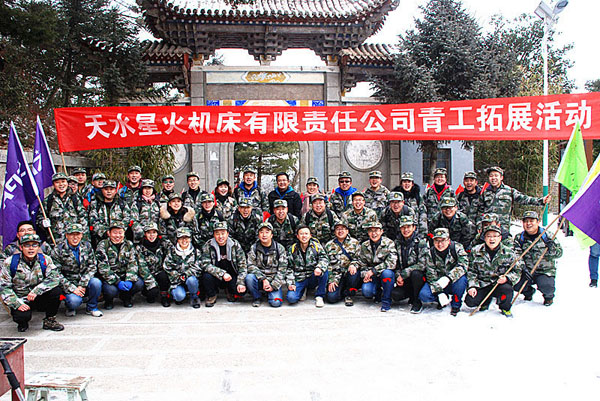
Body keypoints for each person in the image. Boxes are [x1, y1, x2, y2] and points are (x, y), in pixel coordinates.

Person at [0, 234, 64, 332]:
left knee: (57, 292)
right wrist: (17, 303)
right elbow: (4, 287)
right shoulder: (10, 262)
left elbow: (54, 278)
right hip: (20, 298)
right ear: (21, 247)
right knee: (22, 316)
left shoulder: (45, 260)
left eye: (34, 245)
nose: (31, 248)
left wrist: (37, 290)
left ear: (38, 247)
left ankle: (50, 320)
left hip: (38, 296)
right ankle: (22, 323)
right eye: (27, 245)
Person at [466, 225, 522, 318]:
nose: (492, 239)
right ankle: (485, 301)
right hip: (483, 284)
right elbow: (471, 271)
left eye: (495, 236)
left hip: (499, 284)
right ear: (484, 238)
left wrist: (507, 278)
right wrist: (472, 286)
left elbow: (517, 271)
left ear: (500, 238)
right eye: (489, 236)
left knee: (507, 290)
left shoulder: (509, 252)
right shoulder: (476, 251)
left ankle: (505, 307)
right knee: (470, 301)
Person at [51, 223, 103, 317]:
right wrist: (73, 288)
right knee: (74, 301)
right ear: (66, 235)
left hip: (84, 281)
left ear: (82, 235)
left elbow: (92, 266)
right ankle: (70, 307)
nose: (75, 237)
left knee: (96, 283)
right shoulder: (58, 250)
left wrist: (82, 284)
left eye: (77, 234)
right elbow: (56, 273)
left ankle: (92, 307)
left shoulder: (87, 246)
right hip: (68, 284)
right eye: (72, 234)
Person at [513, 211, 563, 306]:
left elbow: (559, 254)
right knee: (515, 282)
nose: (528, 224)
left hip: (544, 271)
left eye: (532, 221)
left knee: (546, 286)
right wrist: (523, 268)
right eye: (526, 221)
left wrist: (552, 248)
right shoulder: (519, 238)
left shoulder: (547, 236)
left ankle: (548, 297)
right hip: (527, 271)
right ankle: (528, 292)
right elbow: (516, 256)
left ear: (538, 222)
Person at [478, 166, 550, 232]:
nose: (493, 178)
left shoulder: (509, 191)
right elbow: (479, 211)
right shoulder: (485, 193)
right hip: (488, 230)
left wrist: (540, 201)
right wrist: (479, 225)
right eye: (491, 176)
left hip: (503, 229)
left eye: (496, 175)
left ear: (501, 177)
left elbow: (524, 199)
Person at [418, 228, 468, 316]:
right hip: (439, 282)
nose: (440, 244)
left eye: (443, 240)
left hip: (453, 280)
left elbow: (464, 265)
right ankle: (441, 299)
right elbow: (431, 274)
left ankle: (456, 304)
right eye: (437, 241)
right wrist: (439, 292)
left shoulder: (457, 248)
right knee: (424, 295)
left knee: (461, 280)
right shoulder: (430, 252)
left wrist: (449, 277)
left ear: (448, 240)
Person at [96, 222, 146, 309]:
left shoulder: (129, 244)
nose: (117, 235)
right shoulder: (103, 245)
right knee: (110, 290)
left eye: (120, 232)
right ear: (109, 233)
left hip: (125, 276)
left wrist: (129, 279)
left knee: (139, 283)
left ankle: (126, 297)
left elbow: (133, 263)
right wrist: (117, 282)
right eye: (115, 233)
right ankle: (109, 300)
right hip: (111, 278)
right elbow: (103, 267)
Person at [350, 221, 397, 312]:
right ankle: (378, 293)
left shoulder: (389, 243)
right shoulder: (365, 245)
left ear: (381, 231)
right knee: (367, 291)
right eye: (371, 231)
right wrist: (365, 274)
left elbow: (392, 262)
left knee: (387, 274)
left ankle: (386, 301)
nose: (373, 233)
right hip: (372, 276)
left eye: (376, 230)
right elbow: (361, 262)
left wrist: (374, 271)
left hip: (384, 274)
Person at [201, 222, 248, 307]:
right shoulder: (208, 245)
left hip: (231, 274)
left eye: (223, 233)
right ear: (214, 235)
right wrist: (222, 274)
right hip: (216, 275)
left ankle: (229, 290)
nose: (220, 236)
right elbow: (205, 264)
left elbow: (242, 265)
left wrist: (241, 282)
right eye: (217, 234)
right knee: (206, 277)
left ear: (227, 234)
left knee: (241, 292)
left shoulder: (235, 245)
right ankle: (212, 295)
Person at [245, 222, 289, 307]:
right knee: (249, 278)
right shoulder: (254, 247)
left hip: (274, 279)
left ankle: (269, 292)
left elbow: (283, 269)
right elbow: (250, 265)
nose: (264, 235)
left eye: (267, 232)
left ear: (271, 235)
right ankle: (257, 297)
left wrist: (273, 285)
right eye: (261, 232)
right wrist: (263, 279)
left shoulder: (279, 248)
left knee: (276, 303)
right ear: (258, 235)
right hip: (260, 279)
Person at [36, 172, 88, 242]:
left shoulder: (75, 199)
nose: (61, 184)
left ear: (67, 183)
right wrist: (43, 223)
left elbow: (83, 219)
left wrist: (84, 240)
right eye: (57, 182)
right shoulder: (48, 201)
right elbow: (40, 218)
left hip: (74, 240)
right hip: (56, 241)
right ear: (53, 184)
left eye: (63, 181)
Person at [286, 225, 329, 307]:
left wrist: (319, 267)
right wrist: (291, 283)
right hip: (299, 278)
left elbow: (324, 259)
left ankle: (319, 296)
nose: (304, 236)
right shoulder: (292, 249)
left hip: (313, 276)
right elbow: (289, 268)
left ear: (310, 236)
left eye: (306, 234)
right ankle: (303, 290)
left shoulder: (316, 246)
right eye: (301, 234)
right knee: (291, 298)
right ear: (297, 236)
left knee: (324, 272)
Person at [89, 180, 139, 248]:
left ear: (115, 190)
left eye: (111, 189)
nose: (109, 191)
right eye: (106, 189)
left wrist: (118, 231)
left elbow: (127, 218)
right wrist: (106, 232)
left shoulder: (122, 203)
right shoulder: (96, 205)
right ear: (102, 190)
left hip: (120, 238)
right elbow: (93, 221)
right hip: (102, 239)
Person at [393, 216, 426, 314]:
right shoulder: (397, 243)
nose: (406, 230)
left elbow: (422, 264)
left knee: (416, 274)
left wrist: (404, 274)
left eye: (408, 227)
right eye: (403, 227)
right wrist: (398, 276)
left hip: (417, 278)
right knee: (395, 295)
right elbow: (395, 262)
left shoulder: (421, 243)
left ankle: (417, 301)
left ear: (414, 227)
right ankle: (410, 294)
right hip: (404, 280)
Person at [324, 218, 361, 306]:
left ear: (347, 231)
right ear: (334, 232)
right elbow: (326, 263)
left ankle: (349, 295)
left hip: (349, 274)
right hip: (336, 276)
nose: (340, 231)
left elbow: (360, 259)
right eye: (338, 229)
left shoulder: (355, 243)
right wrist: (331, 280)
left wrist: (353, 264)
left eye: (343, 229)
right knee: (331, 298)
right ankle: (342, 291)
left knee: (353, 274)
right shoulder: (329, 245)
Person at [137, 222, 173, 307]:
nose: (151, 235)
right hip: (147, 276)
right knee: (152, 293)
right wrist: (152, 284)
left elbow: (171, 254)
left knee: (164, 276)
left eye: (154, 232)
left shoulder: (163, 244)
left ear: (157, 233)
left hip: (159, 272)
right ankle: (149, 293)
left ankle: (164, 296)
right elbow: (142, 268)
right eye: (149, 233)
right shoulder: (140, 248)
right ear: (145, 234)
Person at [163, 227, 201, 308]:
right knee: (179, 296)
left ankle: (194, 297)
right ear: (177, 239)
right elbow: (167, 267)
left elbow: (198, 267)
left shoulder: (196, 252)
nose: (184, 240)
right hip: (176, 281)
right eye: (181, 238)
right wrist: (178, 276)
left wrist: (186, 275)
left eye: (186, 238)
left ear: (190, 239)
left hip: (190, 279)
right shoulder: (172, 252)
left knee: (192, 280)